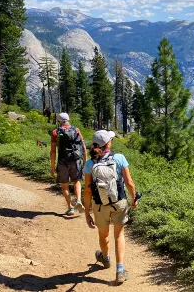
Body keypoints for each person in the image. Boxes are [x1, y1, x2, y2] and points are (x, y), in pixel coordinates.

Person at [83, 130, 138, 284]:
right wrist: (134, 199)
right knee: (119, 235)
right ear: (108, 144)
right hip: (119, 203)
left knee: (103, 235)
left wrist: (87, 213)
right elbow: (129, 182)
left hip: (100, 206)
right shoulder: (119, 158)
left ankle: (105, 259)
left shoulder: (89, 164)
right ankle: (120, 271)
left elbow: (87, 190)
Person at [50, 112, 87, 215]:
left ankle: (70, 208)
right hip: (75, 160)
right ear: (68, 120)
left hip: (62, 161)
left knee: (64, 185)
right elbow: (83, 148)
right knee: (77, 181)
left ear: (59, 121)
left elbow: (53, 152)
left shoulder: (55, 132)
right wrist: (84, 161)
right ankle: (79, 200)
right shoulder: (76, 130)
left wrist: (52, 167)